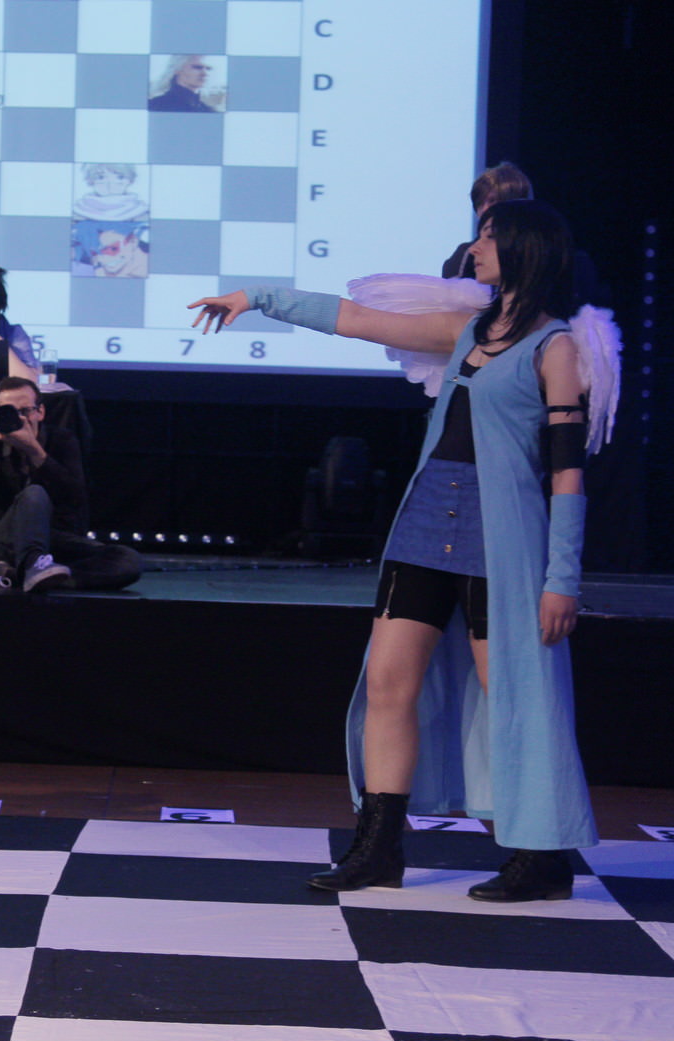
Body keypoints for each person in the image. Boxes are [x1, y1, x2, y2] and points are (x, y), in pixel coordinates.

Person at [189, 200, 618, 904]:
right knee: (388, 683)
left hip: (500, 537)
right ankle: (378, 848)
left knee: (511, 693)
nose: (475, 248)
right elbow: (358, 319)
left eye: (489, 237)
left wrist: (561, 578)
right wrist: (258, 298)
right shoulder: (466, 329)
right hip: (423, 524)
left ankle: (540, 856)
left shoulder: (556, 346)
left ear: (525, 249)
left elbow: (568, 474)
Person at [0, 376, 141, 592]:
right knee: (34, 492)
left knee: (128, 560)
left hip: (57, 540)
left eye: (25, 411)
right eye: (10, 411)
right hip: (10, 541)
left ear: (40, 412)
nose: (20, 418)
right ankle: (34, 566)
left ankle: (18, 575)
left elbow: (75, 498)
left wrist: (35, 451)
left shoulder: (61, 440)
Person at [443, 161, 532, 278]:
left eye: (493, 201)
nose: (485, 209)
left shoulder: (539, 253)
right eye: (480, 203)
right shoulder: (466, 256)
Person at [73, 163, 149, 222]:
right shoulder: (79, 211)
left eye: (120, 177)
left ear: (130, 180)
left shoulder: (140, 211)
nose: (110, 183)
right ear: (90, 181)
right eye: (101, 177)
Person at [148, 55, 223, 113]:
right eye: (197, 67)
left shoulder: (210, 111)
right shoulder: (154, 106)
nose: (205, 73)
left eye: (209, 68)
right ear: (177, 69)